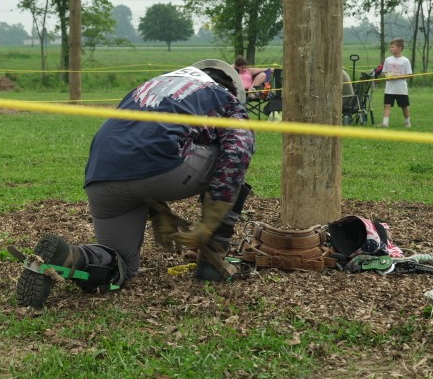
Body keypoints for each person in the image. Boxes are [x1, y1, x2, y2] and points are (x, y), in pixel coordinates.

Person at [16, 59, 256, 310]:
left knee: (121, 266)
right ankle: (213, 262)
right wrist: (211, 221)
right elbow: (236, 154)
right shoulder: (224, 98)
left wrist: (155, 206)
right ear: (232, 89)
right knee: (233, 155)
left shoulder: (145, 88)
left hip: (101, 176)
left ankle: (67, 257)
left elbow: (138, 141)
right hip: (162, 171)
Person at [378, 38, 412, 128]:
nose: (390, 49)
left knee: (404, 106)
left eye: (393, 47)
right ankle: (385, 123)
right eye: (390, 47)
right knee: (387, 105)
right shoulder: (388, 60)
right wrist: (387, 76)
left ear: (400, 48)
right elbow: (384, 72)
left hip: (401, 89)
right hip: (389, 89)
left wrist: (396, 77)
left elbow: (409, 75)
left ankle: (407, 122)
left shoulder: (405, 61)